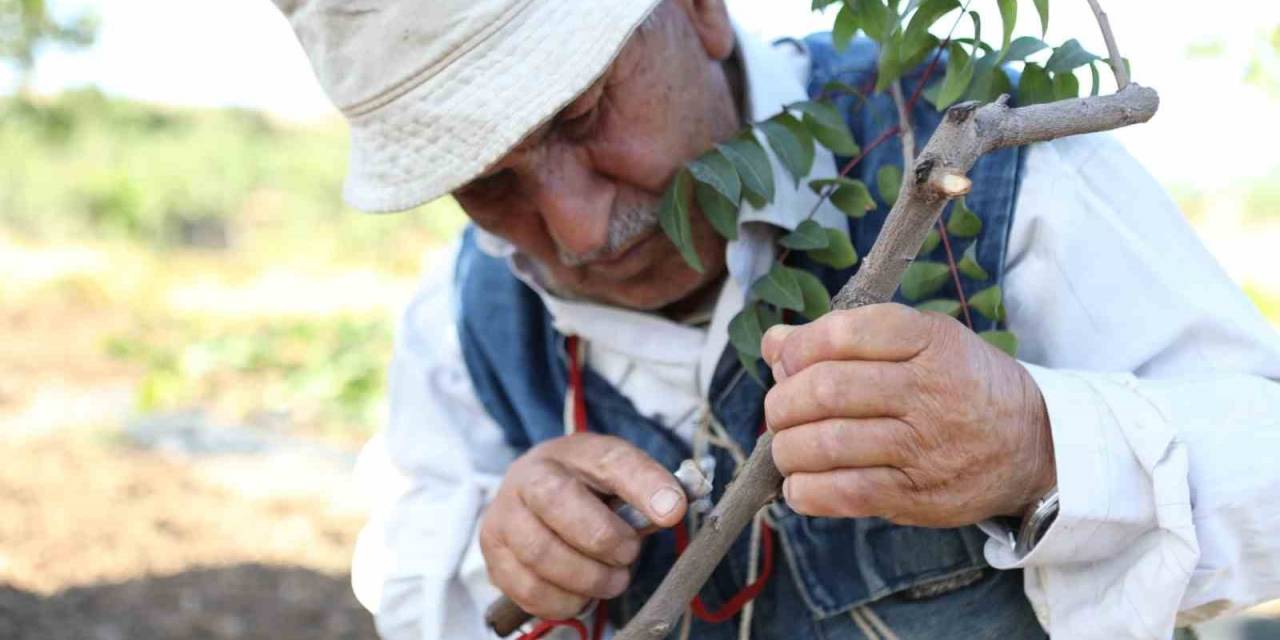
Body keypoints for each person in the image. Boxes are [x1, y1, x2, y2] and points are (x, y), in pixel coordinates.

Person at [269, 0, 1280, 638]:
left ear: (698, 11)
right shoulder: (463, 316)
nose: (574, 230)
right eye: (484, 185)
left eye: (582, 119)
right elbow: (410, 574)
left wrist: (1039, 447)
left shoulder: (990, 161)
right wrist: (498, 556)